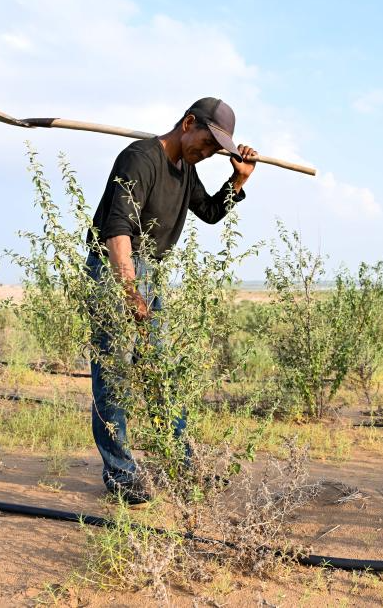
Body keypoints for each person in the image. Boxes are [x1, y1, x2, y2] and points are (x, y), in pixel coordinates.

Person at [84, 97, 257, 503]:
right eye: (207, 142)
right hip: (116, 268)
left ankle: (181, 465)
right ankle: (121, 475)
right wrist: (129, 290)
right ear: (188, 123)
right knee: (114, 375)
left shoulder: (186, 168)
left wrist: (239, 180)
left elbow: (210, 212)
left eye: (216, 148)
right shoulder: (139, 158)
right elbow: (117, 229)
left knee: (161, 371)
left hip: (151, 272)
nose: (209, 152)